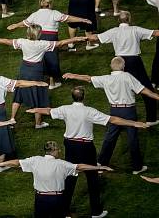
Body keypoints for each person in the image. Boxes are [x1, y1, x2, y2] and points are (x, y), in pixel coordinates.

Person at [27, 86, 148, 218]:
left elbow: (49, 111)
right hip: (85, 147)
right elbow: (112, 119)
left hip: (70, 145)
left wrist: (35, 110)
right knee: (92, 177)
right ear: (84, 97)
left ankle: (64, 210)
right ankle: (96, 212)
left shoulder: (65, 109)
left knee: (70, 177)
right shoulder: (89, 111)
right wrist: (133, 123)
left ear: (72, 97)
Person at [64, 57, 159, 174]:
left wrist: (73, 75)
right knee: (133, 139)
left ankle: (102, 163)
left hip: (114, 111)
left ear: (111, 66)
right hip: (129, 111)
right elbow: (144, 90)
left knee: (110, 138)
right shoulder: (127, 77)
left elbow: (88, 78)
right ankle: (137, 167)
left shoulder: (106, 79)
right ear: (123, 67)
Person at [0, 26, 86, 129]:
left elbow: (7, 41)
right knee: (38, 96)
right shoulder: (43, 44)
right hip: (36, 71)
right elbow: (60, 43)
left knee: (19, 94)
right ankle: (38, 124)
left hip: (24, 69)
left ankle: (12, 119)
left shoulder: (22, 42)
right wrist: (75, 39)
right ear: (38, 34)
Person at [0, 141, 113, 218]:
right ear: (53, 151)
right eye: (58, 149)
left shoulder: (35, 160)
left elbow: (16, 163)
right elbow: (81, 167)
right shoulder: (62, 164)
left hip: (40, 199)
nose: (59, 151)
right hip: (57, 199)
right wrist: (100, 167)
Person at [84, 10, 159, 121]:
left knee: (120, 88)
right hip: (135, 61)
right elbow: (156, 33)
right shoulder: (135, 30)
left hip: (119, 61)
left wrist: (81, 39)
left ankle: (121, 120)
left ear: (118, 20)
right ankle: (151, 119)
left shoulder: (114, 31)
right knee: (146, 88)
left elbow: (94, 38)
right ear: (129, 19)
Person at [7, 0, 92, 90]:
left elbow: (25, 23)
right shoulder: (54, 13)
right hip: (50, 38)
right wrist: (82, 19)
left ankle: (41, 80)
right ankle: (52, 82)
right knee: (52, 60)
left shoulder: (35, 14)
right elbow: (68, 18)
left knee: (41, 59)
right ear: (50, 4)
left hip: (38, 37)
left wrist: (15, 25)